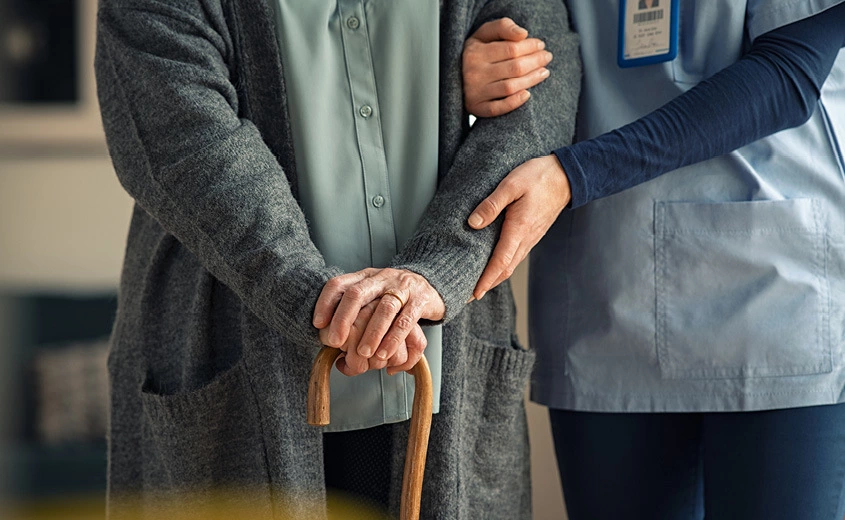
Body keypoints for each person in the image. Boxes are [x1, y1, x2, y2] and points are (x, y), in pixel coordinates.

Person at [94, 0, 579, 518]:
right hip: (234, 355)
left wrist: (437, 271)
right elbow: (184, 138)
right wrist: (323, 301)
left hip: (443, 360)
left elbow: (539, 97)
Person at [460, 1, 845, 519]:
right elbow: (507, 28)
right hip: (606, 291)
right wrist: (476, 74)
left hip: (774, 301)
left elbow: (789, 75)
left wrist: (576, 174)